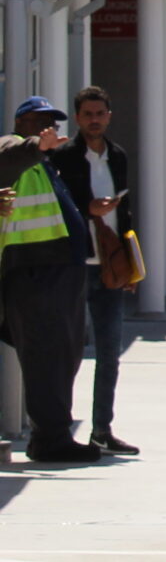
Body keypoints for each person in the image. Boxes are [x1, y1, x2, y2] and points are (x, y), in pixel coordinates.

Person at [2, 97, 101, 462]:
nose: (50, 130)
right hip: (35, 273)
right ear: (22, 123)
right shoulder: (13, 147)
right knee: (46, 356)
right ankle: (50, 439)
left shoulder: (45, 165)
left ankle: (55, 432)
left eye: (53, 124)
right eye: (40, 122)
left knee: (63, 354)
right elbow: (9, 156)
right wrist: (36, 146)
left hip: (58, 273)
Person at [50, 85, 138, 455]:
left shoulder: (117, 156)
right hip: (76, 264)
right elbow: (60, 207)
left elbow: (126, 213)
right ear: (78, 117)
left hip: (111, 266)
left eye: (100, 113)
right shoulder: (65, 157)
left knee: (109, 351)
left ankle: (102, 429)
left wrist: (132, 264)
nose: (94, 120)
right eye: (87, 114)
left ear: (109, 116)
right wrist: (90, 209)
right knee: (68, 351)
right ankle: (59, 428)